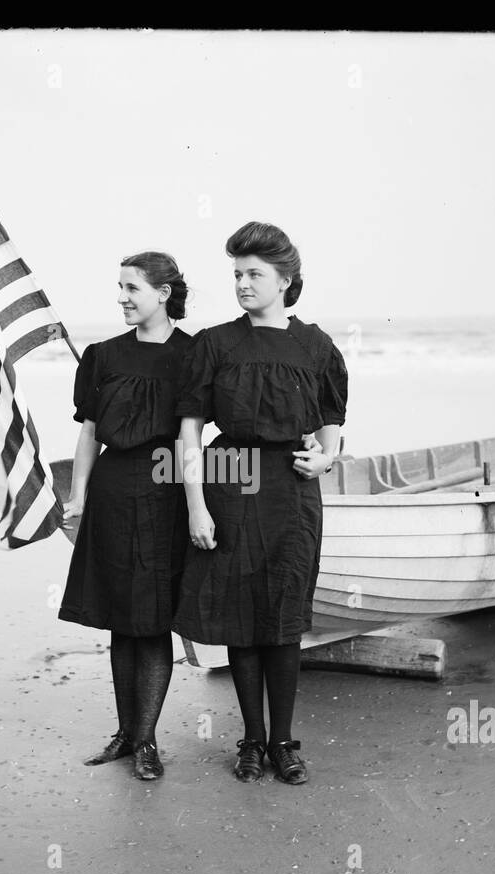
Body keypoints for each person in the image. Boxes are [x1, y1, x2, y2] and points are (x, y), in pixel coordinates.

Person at [173, 222, 348, 784]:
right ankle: (250, 740)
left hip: (293, 490)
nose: (243, 284)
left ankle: (284, 743)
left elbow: (331, 422)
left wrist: (326, 458)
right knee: (242, 618)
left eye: (255, 275)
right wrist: (197, 507)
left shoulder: (315, 345)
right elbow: (189, 434)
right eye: (237, 275)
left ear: (285, 280)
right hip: (231, 479)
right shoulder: (215, 344)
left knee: (284, 618)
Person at [58, 252, 193, 781]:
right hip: (114, 490)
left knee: (153, 618)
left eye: (132, 287)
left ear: (163, 293)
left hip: (166, 489)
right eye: (119, 287)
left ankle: (147, 741)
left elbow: (203, 435)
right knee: (120, 616)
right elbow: (90, 432)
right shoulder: (102, 356)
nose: (122, 297)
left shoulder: (193, 355)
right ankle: (125, 733)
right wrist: (78, 494)